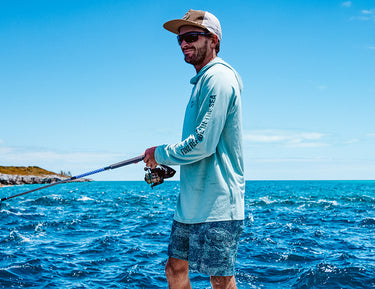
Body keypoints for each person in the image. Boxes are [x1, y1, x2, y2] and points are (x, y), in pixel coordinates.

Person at [144, 9, 245, 289]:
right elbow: (197, 146)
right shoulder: (201, 82)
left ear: (213, 40)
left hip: (218, 206)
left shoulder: (219, 79)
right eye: (179, 40)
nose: (183, 44)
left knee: (220, 279)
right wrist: (166, 163)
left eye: (190, 36)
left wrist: (160, 153)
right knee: (175, 268)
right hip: (190, 205)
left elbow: (203, 142)